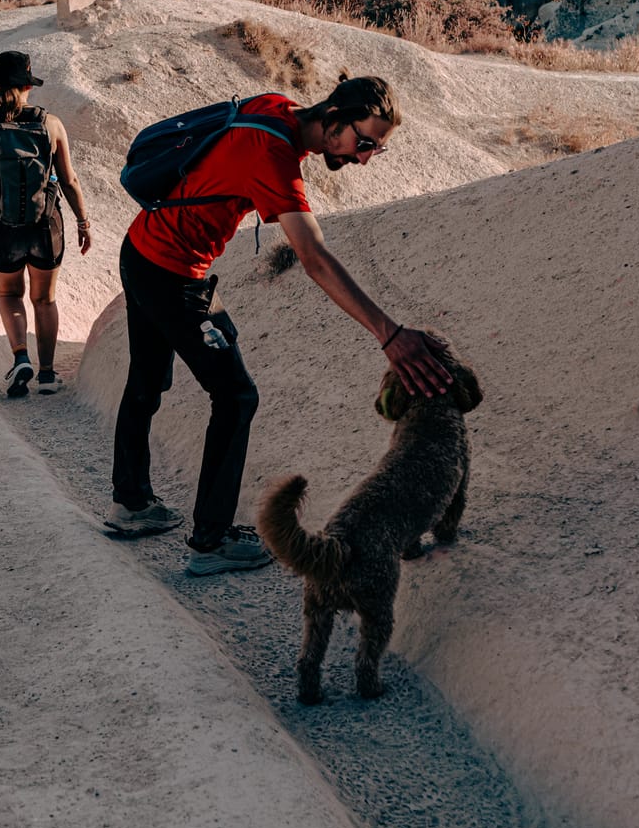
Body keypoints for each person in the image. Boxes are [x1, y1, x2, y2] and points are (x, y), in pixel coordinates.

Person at [109, 74, 452, 575]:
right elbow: (312, 256)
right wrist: (390, 334)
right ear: (334, 116)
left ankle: (131, 505)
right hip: (171, 273)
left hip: (141, 250)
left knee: (147, 379)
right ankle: (211, 541)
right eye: (364, 143)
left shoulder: (277, 108)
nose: (362, 158)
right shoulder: (273, 158)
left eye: (375, 151)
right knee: (236, 396)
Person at [0, 50, 92, 397]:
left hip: (4, 229)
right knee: (44, 300)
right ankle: (47, 374)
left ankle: (21, 356)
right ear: (27, 87)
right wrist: (83, 222)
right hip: (45, 227)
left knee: (9, 294)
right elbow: (70, 180)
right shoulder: (52, 125)